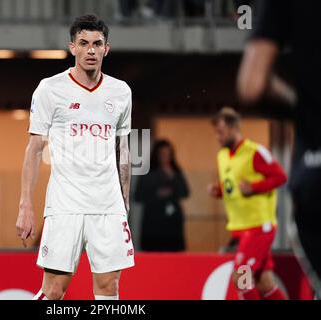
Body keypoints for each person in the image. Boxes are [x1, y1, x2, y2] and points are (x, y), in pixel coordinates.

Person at [15, 14, 134, 300]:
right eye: (84, 43)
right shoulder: (50, 89)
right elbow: (34, 150)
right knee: (54, 290)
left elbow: (124, 150)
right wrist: (25, 206)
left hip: (108, 206)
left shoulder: (121, 92)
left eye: (97, 43)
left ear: (106, 49)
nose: (90, 50)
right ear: (72, 48)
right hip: (65, 205)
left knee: (109, 288)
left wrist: (124, 200)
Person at [237, 0, 321, 297]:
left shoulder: (255, 153)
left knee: (248, 277)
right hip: (243, 230)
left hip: (305, 183)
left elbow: (251, 85)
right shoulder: (226, 156)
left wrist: (304, 111)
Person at [207, 107, 288, 300]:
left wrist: (255, 187)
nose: (218, 137)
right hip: (241, 229)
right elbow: (232, 187)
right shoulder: (222, 155)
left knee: (240, 278)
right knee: (265, 284)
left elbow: (280, 177)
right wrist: (218, 190)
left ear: (234, 128)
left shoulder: (255, 152)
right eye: (216, 133)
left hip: (259, 228)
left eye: (221, 131)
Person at [134, 139, 190, 251]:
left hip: (172, 224)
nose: (165, 157)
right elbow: (137, 196)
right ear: (156, 155)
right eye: (162, 154)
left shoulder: (175, 171)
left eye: (168, 154)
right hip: (153, 224)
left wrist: (172, 177)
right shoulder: (148, 172)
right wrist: (156, 194)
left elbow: (185, 192)